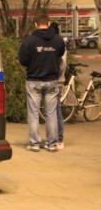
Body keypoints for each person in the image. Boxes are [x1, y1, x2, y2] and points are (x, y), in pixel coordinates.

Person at [18, 14, 65, 152]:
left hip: (34, 80)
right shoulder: (58, 40)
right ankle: (51, 144)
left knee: (33, 114)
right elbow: (61, 53)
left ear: (36, 25)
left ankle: (35, 144)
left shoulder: (29, 41)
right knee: (51, 114)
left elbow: (23, 60)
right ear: (49, 23)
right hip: (52, 81)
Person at [50, 22, 69, 149]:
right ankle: (55, 138)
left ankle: (59, 139)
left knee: (56, 111)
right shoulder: (58, 43)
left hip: (56, 80)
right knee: (54, 110)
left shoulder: (58, 44)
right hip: (58, 80)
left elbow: (61, 64)